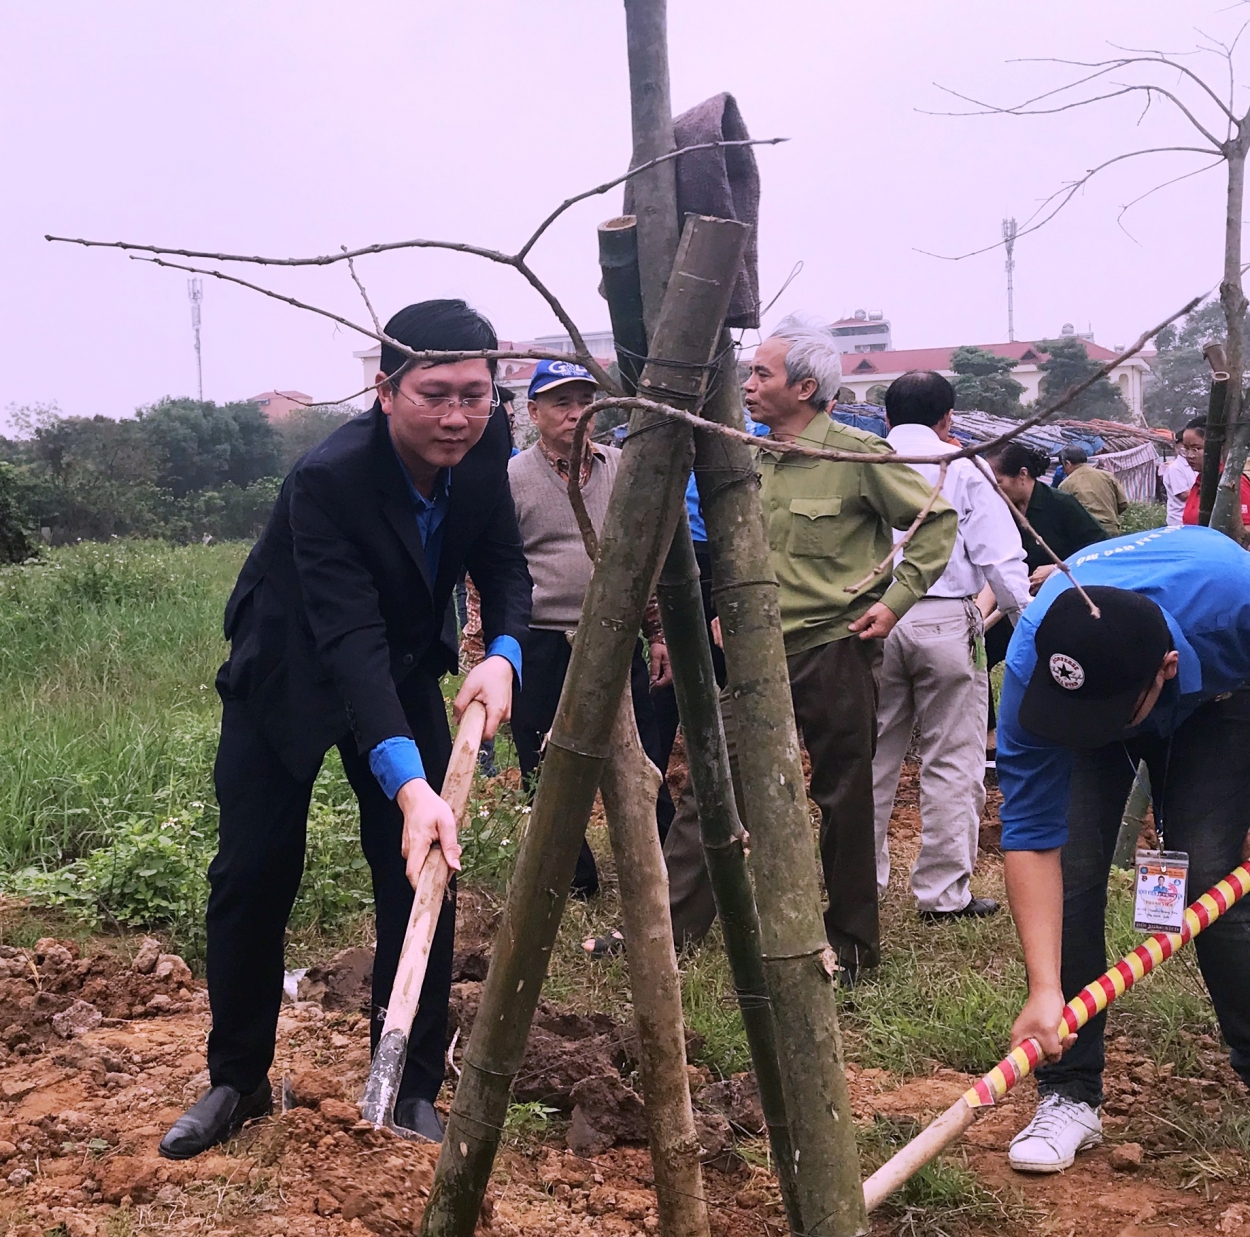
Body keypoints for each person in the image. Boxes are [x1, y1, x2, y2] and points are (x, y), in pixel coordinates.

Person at [157, 301, 532, 1158]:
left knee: (423, 872)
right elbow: (345, 641)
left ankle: (407, 1084)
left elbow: (504, 564)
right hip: (289, 668)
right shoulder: (330, 478)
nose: (455, 416)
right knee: (252, 870)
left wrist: (503, 653)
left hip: (399, 659)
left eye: (474, 394)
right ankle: (238, 1076)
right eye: (434, 394)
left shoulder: (482, 451)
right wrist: (409, 786)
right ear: (385, 388)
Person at [996, 525, 1250, 1172]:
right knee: (1075, 871)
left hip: (1220, 694)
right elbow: (1031, 835)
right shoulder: (1039, 664)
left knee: (1210, 875)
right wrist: (1045, 987)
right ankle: (1069, 1093)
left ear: (1165, 671)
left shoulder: (1238, 600)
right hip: (1113, 679)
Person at [740, 316, 957, 980]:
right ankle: (681, 929)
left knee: (843, 796)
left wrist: (893, 604)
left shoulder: (856, 456)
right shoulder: (749, 455)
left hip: (833, 647)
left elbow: (934, 520)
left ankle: (855, 946)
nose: (748, 385)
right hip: (754, 652)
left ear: (805, 387)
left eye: (761, 374)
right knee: (715, 791)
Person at [506, 359, 674, 906]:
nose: (577, 414)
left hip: (613, 636)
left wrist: (657, 634)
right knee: (544, 761)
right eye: (561, 403)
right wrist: (491, 655)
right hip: (542, 639)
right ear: (534, 413)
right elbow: (492, 572)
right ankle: (570, 878)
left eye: (585, 402)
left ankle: (665, 866)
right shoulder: (512, 479)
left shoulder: (620, 468)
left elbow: (640, 559)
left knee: (640, 756)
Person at [871, 372, 1032, 919]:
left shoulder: (863, 459)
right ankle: (942, 895)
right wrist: (1023, 621)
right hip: (946, 621)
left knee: (870, 757)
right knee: (952, 759)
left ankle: (859, 885)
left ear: (886, 418)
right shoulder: (962, 464)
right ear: (947, 419)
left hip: (871, 620)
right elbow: (1000, 558)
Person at [982, 442, 1107, 750]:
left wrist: (1055, 569)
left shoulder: (1061, 505)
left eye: (998, 483)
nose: (994, 491)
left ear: (1022, 475)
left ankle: (1063, 732)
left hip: (1059, 608)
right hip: (1012, 607)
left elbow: (1101, 552)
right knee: (979, 651)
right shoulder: (999, 512)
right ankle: (988, 734)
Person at [1179, 416, 1250, 529]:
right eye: (1186, 449)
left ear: (1215, 446)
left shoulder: (1232, 482)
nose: (1189, 455)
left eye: (1196, 448)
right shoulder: (1200, 481)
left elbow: (1245, 531)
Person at [1056, 445, 1129, 537]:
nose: (1064, 471)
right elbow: (1123, 503)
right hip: (1111, 530)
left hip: (1085, 533)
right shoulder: (1107, 476)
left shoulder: (1065, 485)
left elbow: (1063, 515)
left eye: (1063, 467)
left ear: (1068, 464)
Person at [1162, 419, 1202, 527]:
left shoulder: (1196, 466)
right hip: (1179, 522)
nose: (1189, 452)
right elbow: (1183, 494)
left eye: (1195, 448)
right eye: (1185, 446)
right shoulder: (1175, 468)